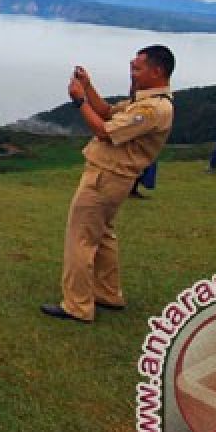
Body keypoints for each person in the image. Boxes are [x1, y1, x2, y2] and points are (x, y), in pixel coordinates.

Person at [41, 45, 176, 323]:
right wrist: (88, 88)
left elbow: (103, 131)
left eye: (138, 68)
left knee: (79, 238)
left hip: (107, 176)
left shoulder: (153, 109)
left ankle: (77, 305)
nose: (132, 72)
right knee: (102, 235)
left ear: (157, 71)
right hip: (113, 177)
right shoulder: (145, 101)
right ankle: (107, 292)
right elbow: (106, 113)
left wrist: (79, 102)